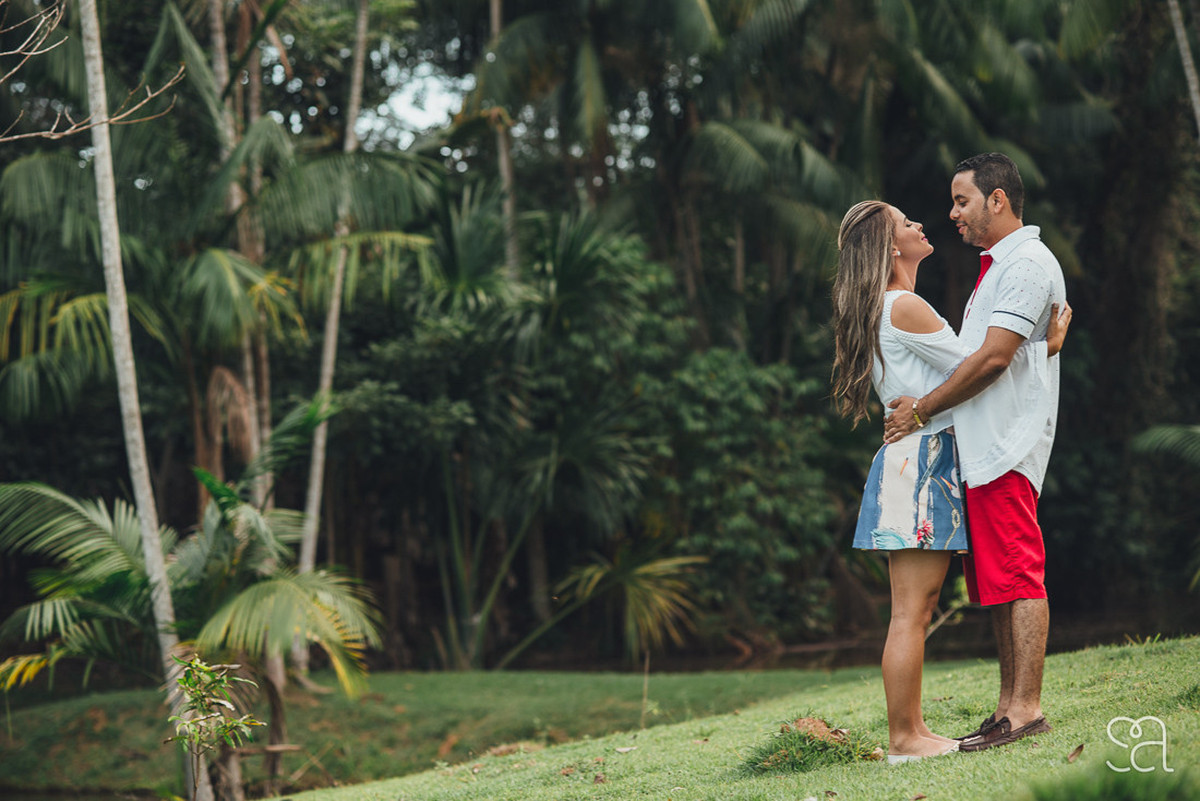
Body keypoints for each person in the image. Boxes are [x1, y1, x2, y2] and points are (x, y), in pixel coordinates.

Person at [831, 199, 1069, 765]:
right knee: (912, 611)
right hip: (922, 461)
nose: (919, 225)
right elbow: (982, 361)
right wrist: (1045, 344)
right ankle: (905, 738)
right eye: (905, 223)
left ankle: (911, 731)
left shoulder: (888, 305)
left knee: (918, 606)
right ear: (892, 248)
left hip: (916, 460)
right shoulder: (905, 305)